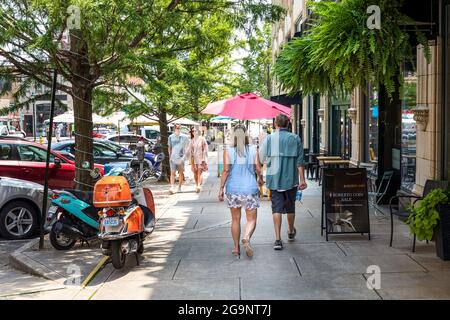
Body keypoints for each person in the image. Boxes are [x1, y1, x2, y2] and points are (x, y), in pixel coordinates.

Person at [259, 114, 307, 251]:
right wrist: (302, 180)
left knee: (276, 208)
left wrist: (264, 169)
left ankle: (278, 239)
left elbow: (262, 159)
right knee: (290, 206)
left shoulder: (269, 139)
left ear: (276, 124)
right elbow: (300, 161)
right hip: (291, 179)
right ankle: (291, 232)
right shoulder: (295, 138)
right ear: (288, 124)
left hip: (274, 179)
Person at [219, 124, 264, 258]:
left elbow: (226, 170)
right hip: (250, 188)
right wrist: (260, 179)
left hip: (233, 189)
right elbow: (258, 168)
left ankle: (235, 248)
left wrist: (221, 188)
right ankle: (246, 237)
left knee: (235, 219)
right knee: (251, 219)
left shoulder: (228, 150)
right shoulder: (252, 149)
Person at [168, 124, 189, 194]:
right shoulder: (171, 137)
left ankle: (179, 187)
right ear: (174, 129)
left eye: (179, 128)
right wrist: (169, 156)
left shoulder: (184, 137)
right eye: (177, 128)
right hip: (173, 157)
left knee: (181, 172)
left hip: (181, 158)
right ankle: (172, 186)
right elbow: (169, 147)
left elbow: (187, 147)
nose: (178, 129)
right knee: (172, 172)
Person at [189, 127, 209, 193]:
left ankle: (198, 186)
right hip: (194, 159)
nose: (194, 132)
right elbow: (191, 151)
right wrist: (191, 161)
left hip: (201, 158)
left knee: (199, 172)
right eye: (193, 131)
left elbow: (206, 147)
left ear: (198, 131)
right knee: (195, 172)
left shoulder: (202, 139)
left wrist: (204, 157)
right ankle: (197, 184)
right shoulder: (191, 140)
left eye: (195, 131)